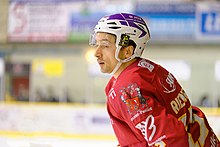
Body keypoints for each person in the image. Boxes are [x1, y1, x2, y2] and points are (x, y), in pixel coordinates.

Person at [89, 13, 220, 147]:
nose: (96, 53)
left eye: (105, 45)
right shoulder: (148, 70)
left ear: (127, 51)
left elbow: (169, 140)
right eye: (97, 44)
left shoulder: (127, 88)